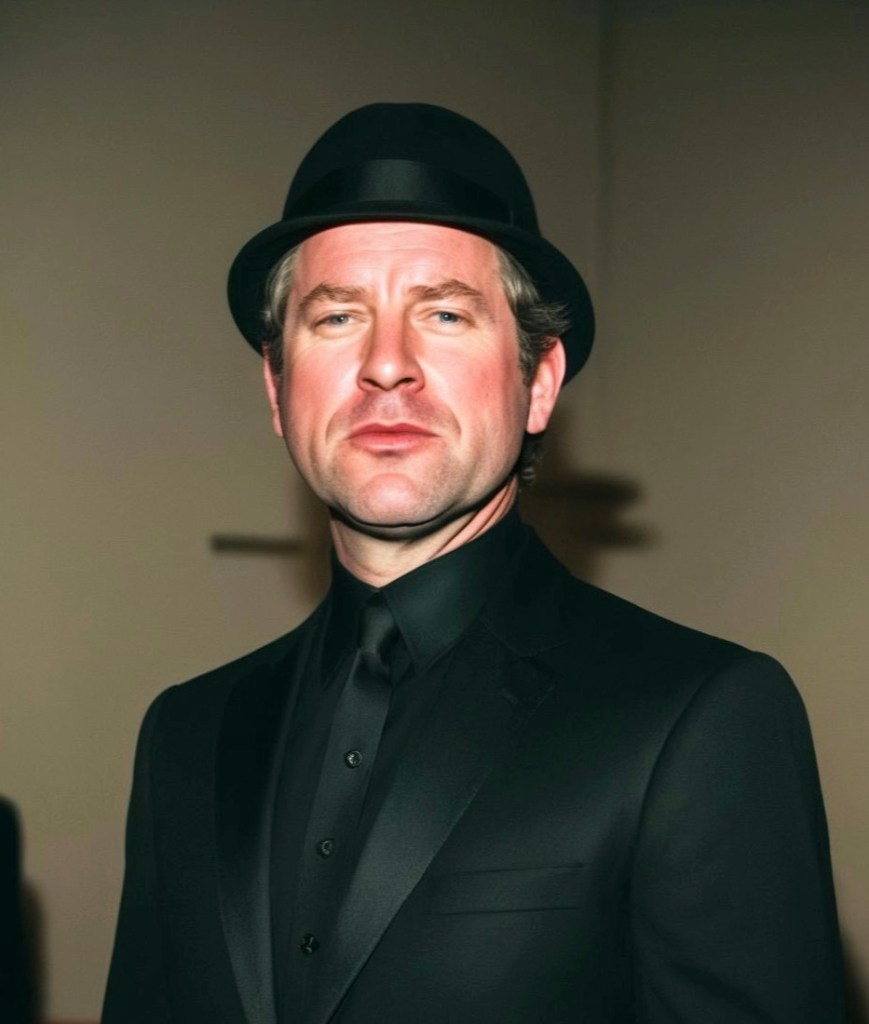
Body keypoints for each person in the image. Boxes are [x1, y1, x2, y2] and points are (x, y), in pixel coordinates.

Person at [103, 103, 842, 1024]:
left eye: (445, 313)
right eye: (336, 317)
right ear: (277, 387)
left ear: (538, 382)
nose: (386, 365)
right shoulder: (186, 734)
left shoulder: (701, 716)